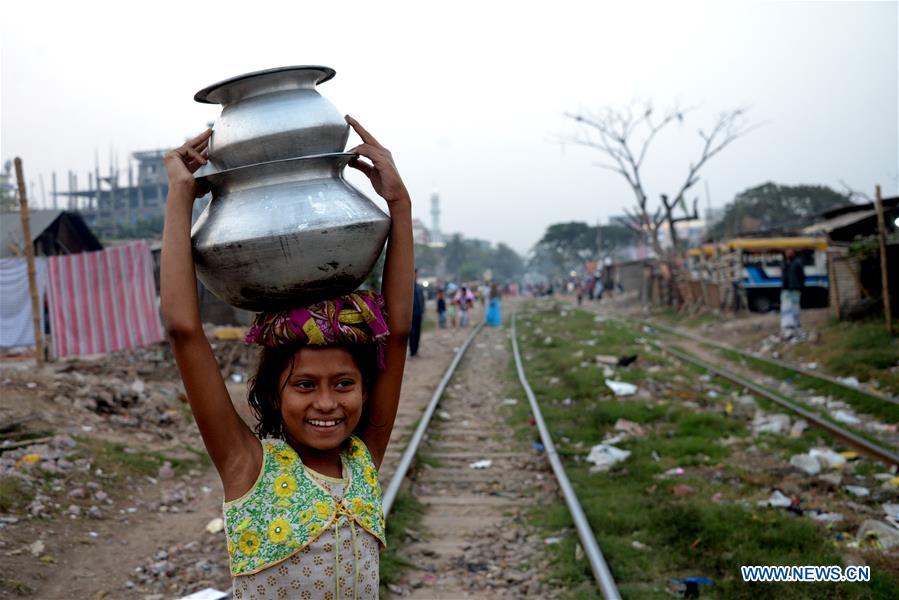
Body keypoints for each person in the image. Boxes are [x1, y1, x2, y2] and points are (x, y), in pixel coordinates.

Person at [160, 116, 413, 600]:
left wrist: (398, 202)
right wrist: (180, 197)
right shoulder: (247, 465)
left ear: (365, 386)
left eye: (344, 384)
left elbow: (397, 333)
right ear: (274, 393)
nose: (327, 404)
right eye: (304, 385)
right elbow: (184, 332)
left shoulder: (363, 457)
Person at [781, 249, 805, 336]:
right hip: (785, 289)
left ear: (793, 254)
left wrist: (800, 286)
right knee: (785, 307)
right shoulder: (783, 263)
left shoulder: (797, 263)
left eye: (790, 253)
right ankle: (787, 325)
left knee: (795, 307)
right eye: (787, 253)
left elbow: (802, 276)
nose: (788, 254)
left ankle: (796, 323)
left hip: (795, 288)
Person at [409, 269, 425, 357]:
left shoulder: (419, 288)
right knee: (412, 333)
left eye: (416, 274)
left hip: (419, 314)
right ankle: (412, 352)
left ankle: (416, 351)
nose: (416, 276)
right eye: (414, 274)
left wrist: (423, 311)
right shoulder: (408, 288)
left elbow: (422, 301)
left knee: (418, 333)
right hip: (411, 316)